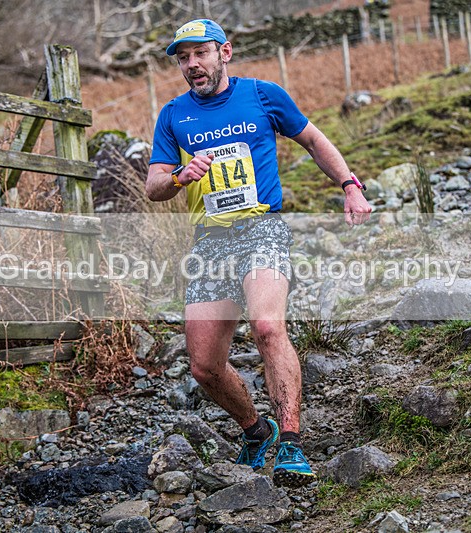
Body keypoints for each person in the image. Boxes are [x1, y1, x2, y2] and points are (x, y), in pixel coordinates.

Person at [146, 18, 372, 488]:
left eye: (200, 53)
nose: (192, 65)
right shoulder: (173, 115)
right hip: (211, 242)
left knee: (268, 326)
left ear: (224, 52)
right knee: (204, 366)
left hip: (262, 228)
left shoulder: (263, 95)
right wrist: (179, 178)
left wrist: (349, 185)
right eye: (183, 58)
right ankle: (257, 429)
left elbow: (312, 139)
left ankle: (290, 440)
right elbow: (153, 186)